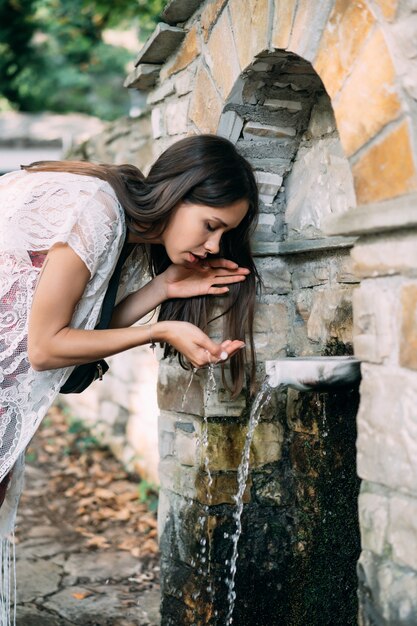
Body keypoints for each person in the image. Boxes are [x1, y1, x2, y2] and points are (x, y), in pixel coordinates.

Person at [0, 134, 259, 615]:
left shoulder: (116, 219)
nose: (214, 244)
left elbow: (78, 333)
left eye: (223, 236)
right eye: (210, 225)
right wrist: (159, 330)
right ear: (179, 193)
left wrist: (162, 288)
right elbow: (46, 346)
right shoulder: (96, 210)